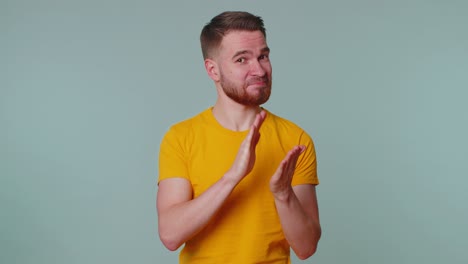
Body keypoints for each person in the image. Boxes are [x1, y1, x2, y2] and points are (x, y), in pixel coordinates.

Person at [157, 11, 321, 264]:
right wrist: (232, 177)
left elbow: (307, 247)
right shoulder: (181, 137)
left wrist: (283, 194)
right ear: (213, 70)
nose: (259, 69)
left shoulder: (295, 139)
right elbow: (170, 235)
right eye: (242, 59)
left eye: (263, 56)